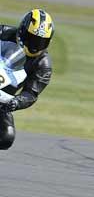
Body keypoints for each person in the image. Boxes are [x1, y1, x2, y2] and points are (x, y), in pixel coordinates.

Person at [0, 9, 54, 150]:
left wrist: (16, 102)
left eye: (41, 42)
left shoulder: (43, 65)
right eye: (32, 38)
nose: (35, 45)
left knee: (7, 137)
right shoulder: (3, 33)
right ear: (22, 31)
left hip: (3, 98)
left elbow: (31, 93)